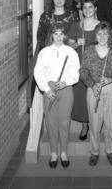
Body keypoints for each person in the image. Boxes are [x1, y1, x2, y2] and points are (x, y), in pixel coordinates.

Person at [79, 21, 112, 166]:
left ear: (109, 36)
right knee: (94, 124)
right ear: (95, 35)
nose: (102, 37)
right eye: (99, 33)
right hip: (93, 89)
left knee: (110, 122)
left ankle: (110, 150)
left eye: (105, 33)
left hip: (111, 89)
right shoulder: (88, 51)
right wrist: (91, 84)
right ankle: (94, 152)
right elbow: (82, 71)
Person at [34, 24, 80, 168]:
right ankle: (54, 153)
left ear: (64, 36)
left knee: (64, 122)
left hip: (65, 89)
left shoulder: (71, 51)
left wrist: (66, 82)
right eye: (56, 34)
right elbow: (38, 72)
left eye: (61, 34)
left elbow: (75, 72)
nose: (59, 37)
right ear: (51, 36)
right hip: (49, 90)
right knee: (51, 123)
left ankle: (64, 152)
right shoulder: (44, 52)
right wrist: (46, 89)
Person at [68, 0, 99, 141]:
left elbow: (108, 45)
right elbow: (68, 45)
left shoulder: (101, 26)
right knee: (81, 97)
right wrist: (75, 44)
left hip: (95, 67)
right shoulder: (76, 26)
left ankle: (96, 124)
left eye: (90, 7)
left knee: (94, 97)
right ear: (81, 10)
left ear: (95, 9)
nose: (87, 10)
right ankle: (85, 124)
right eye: (85, 7)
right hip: (79, 67)